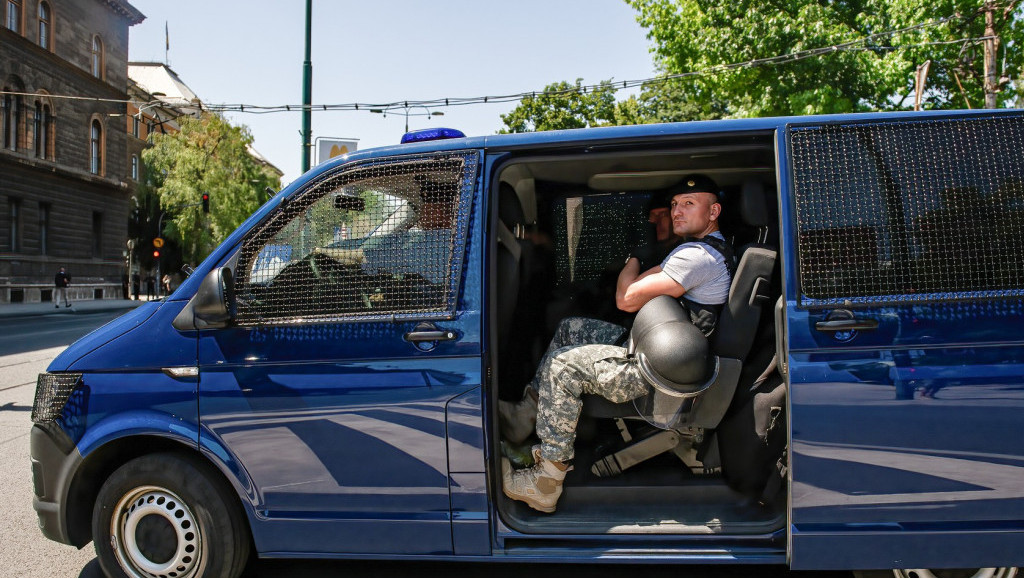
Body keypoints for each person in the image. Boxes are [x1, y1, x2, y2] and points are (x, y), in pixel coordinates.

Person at [500, 174, 733, 514]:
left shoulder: (697, 256)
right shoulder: (704, 250)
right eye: (674, 205)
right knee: (572, 329)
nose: (677, 212)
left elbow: (626, 298)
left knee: (564, 365)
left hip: (661, 375)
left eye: (689, 204)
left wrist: (632, 259)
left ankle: (546, 481)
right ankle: (524, 419)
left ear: (713, 211)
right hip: (658, 350)